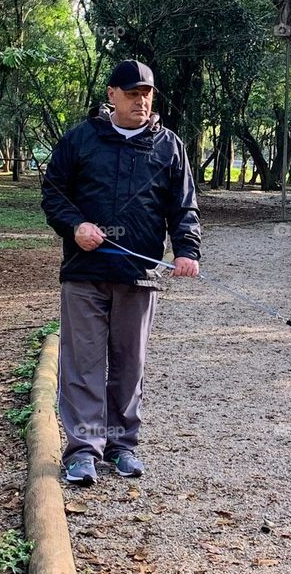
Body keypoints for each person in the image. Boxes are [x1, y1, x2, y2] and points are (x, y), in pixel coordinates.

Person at [41, 60, 201, 486]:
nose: (141, 101)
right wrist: (76, 226)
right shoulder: (81, 139)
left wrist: (187, 250)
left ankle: (122, 446)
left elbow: (183, 206)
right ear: (112, 94)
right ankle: (83, 452)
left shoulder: (168, 145)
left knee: (129, 364)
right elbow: (53, 193)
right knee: (84, 365)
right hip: (84, 273)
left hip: (140, 274)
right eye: (132, 94)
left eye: (147, 93)